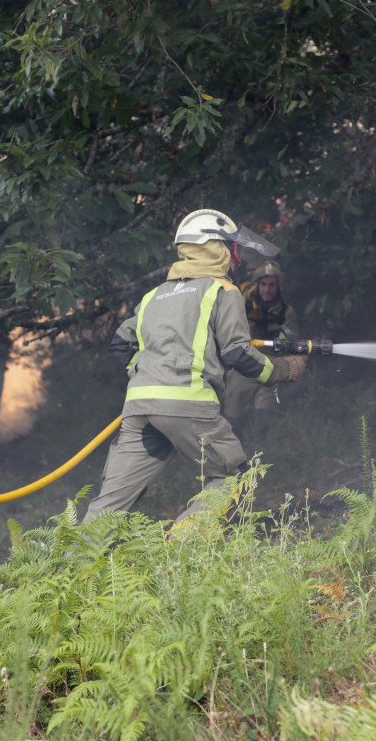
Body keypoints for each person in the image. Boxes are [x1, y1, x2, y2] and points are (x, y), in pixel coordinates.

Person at [81, 209, 309, 525]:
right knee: (233, 480)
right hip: (189, 406)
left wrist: (144, 371)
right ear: (213, 247)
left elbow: (121, 343)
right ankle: (181, 548)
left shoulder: (154, 295)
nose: (236, 260)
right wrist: (284, 370)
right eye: (232, 250)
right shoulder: (222, 290)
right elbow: (238, 354)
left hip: (139, 407)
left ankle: (70, 566)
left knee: (110, 502)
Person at [222, 259, 298, 448]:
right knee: (233, 421)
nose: (267, 289)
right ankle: (237, 462)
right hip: (242, 370)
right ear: (257, 284)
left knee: (263, 423)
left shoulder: (285, 311)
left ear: (278, 286)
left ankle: (263, 461)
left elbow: (291, 336)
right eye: (263, 284)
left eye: (272, 285)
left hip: (268, 369)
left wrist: (284, 341)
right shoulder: (241, 302)